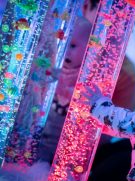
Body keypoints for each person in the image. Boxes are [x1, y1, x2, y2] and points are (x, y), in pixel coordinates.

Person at [81, 0, 135, 181]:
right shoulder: (56, 46)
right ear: (84, 8)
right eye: (102, 17)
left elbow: (104, 137)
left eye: (120, 23)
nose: (107, 27)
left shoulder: (125, 75)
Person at [39, 17, 92, 162]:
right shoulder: (52, 69)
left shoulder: (86, 81)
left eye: (73, 46)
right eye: (64, 43)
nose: (66, 51)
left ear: (88, 50)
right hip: (37, 131)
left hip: (57, 147)